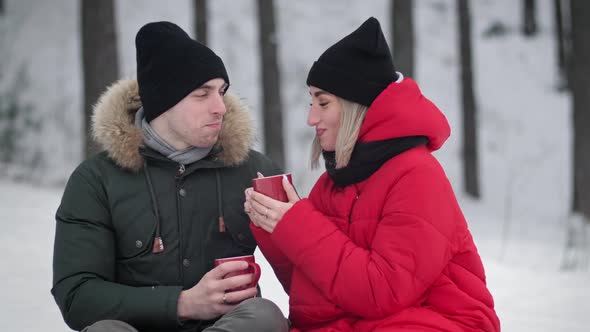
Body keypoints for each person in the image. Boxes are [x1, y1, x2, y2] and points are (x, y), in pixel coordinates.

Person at [244, 17, 501, 332]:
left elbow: (383, 291)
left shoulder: (418, 177)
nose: (311, 118)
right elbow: (317, 298)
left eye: (323, 103)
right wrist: (275, 228)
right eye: (311, 103)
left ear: (356, 106)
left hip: (436, 322)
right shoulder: (332, 184)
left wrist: (297, 224)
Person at [52, 21, 289, 332]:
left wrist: (299, 225)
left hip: (225, 327)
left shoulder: (253, 171)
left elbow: (310, 279)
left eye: (222, 92)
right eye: (202, 94)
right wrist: (184, 302)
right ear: (163, 101)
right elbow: (77, 297)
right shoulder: (97, 179)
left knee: (264, 316)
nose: (220, 107)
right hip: (135, 328)